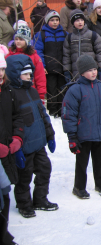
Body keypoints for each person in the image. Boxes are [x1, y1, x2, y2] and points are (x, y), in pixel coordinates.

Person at [6, 54, 58, 218]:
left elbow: (43, 115)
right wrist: (16, 147)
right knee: (24, 176)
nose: (29, 77)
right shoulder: (11, 95)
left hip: (39, 144)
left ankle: (40, 199)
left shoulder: (33, 91)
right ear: (15, 74)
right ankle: (24, 204)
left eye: (30, 74)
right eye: (25, 74)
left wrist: (50, 135)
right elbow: (10, 124)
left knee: (45, 169)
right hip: (24, 146)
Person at [62, 55, 101, 199]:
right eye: (89, 70)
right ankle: (79, 187)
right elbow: (69, 115)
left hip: (99, 133)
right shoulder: (75, 90)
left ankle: (100, 184)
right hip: (83, 135)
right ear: (81, 72)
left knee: (99, 161)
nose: (93, 72)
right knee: (82, 163)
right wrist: (72, 136)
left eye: (94, 69)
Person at [0, 44, 24, 244]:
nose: (0, 73)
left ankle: (3, 232)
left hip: (6, 151)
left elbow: (17, 116)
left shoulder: (7, 91)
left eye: (1, 69)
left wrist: (17, 137)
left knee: (6, 193)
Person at [33, 10, 67, 117]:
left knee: (62, 89)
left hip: (62, 67)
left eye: (57, 20)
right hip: (49, 68)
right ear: (47, 21)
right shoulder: (41, 35)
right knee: (51, 90)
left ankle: (61, 109)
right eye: (52, 20)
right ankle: (53, 111)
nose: (55, 22)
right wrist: (42, 66)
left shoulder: (65, 34)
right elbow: (38, 51)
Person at [62, 9, 101, 82]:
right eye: (77, 21)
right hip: (76, 74)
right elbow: (66, 56)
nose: (80, 22)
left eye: (81, 20)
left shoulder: (93, 35)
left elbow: (100, 52)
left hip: (91, 73)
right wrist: (67, 71)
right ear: (73, 23)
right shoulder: (69, 38)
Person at [6, 22, 47, 101]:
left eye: (21, 39)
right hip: (13, 92)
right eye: (16, 39)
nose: (18, 41)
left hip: (30, 90)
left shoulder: (34, 57)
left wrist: (41, 95)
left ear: (27, 40)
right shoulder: (9, 56)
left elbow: (40, 76)